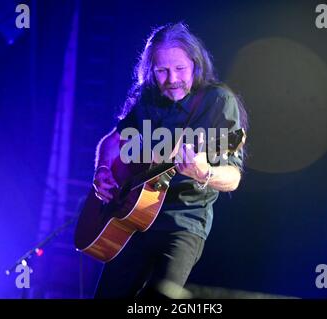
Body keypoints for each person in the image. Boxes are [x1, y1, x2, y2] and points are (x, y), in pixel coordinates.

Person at [92, 22, 248, 299]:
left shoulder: (218, 101)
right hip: (130, 218)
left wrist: (205, 173)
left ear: (195, 64)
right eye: (162, 70)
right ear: (150, 70)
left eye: (180, 69)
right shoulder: (147, 97)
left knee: (159, 300)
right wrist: (103, 170)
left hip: (182, 223)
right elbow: (112, 141)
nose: (171, 79)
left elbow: (234, 177)